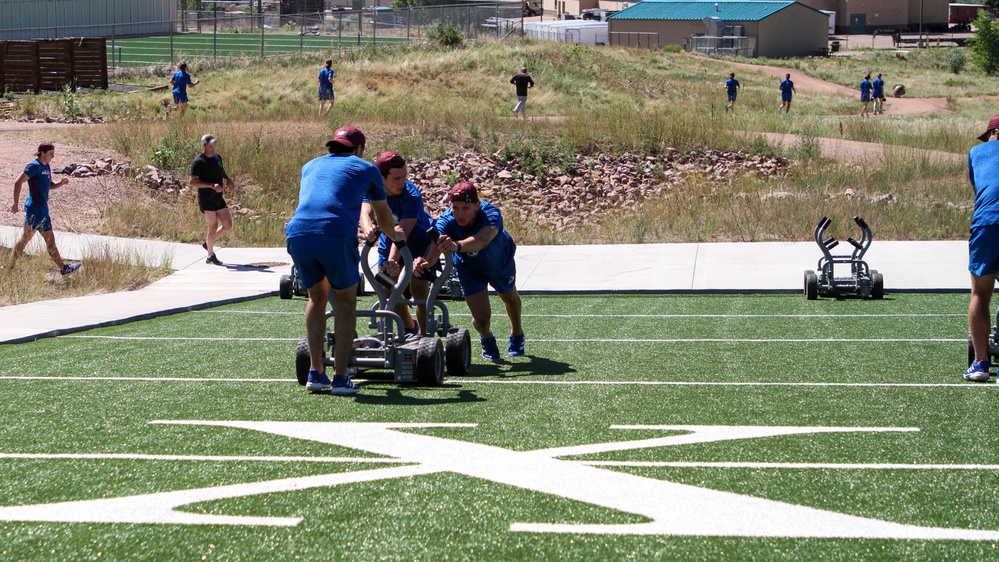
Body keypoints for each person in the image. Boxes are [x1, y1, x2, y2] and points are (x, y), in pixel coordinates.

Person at [285, 126, 404, 395]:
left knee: (317, 297)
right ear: (360, 149)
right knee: (346, 301)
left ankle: (316, 373)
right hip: (334, 234)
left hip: (298, 232)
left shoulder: (310, 165)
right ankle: (340, 378)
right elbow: (383, 217)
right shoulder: (366, 168)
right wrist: (395, 235)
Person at [428, 182, 524, 360]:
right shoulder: (447, 219)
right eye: (455, 208)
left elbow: (483, 239)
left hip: (499, 262)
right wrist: (424, 263)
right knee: (481, 318)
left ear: (477, 206)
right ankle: (487, 337)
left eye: (465, 208)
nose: (460, 213)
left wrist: (456, 245)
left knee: (509, 297)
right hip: (469, 268)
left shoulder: (491, 214)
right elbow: (435, 245)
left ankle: (517, 333)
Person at [360, 151, 438, 336]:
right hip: (390, 238)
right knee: (385, 285)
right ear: (382, 178)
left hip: (416, 241)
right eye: (396, 178)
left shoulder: (411, 195)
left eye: (404, 177)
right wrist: (368, 229)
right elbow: (365, 213)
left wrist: (393, 260)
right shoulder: (372, 188)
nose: (402, 182)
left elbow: (402, 232)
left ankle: (426, 336)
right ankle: (410, 327)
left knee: (419, 291)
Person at [5, 142, 80, 275]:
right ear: (43, 153)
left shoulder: (46, 167)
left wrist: (60, 184)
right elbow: (18, 182)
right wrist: (15, 203)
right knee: (49, 240)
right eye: (51, 154)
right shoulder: (34, 166)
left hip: (41, 208)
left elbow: (49, 185)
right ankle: (64, 269)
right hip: (36, 209)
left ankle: (9, 266)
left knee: (24, 239)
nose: (53, 157)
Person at [965, 114, 999, 382]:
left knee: (980, 293)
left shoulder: (976, 152)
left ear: (995, 132)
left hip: (987, 223)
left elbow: (980, 190)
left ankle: (980, 364)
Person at [189, 134, 236, 265]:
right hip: (206, 199)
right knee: (213, 226)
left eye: (214, 144)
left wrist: (228, 180)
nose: (213, 147)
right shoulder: (199, 162)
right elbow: (192, 181)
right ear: (204, 145)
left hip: (218, 198)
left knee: (227, 225)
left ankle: (208, 243)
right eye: (210, 145)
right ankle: (210, 255)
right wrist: (210, 185)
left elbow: (221, 171)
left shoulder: (217, 157)